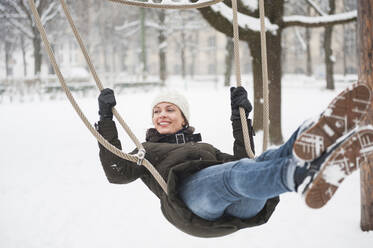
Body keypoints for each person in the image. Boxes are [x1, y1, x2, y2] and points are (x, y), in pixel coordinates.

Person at [95, 83, 373, 238]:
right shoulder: (146, 150)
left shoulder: (204, 147)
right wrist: (106, 120)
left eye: (170, 109)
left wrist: (239, 117)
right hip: (189, 202)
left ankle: (322, 140)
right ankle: (299, 176)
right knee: (235, 175)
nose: (162, 115)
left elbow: (246, 159)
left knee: (259, 162)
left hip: (240, 206)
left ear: (184, 119)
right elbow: (117, 172)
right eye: (157, 111)